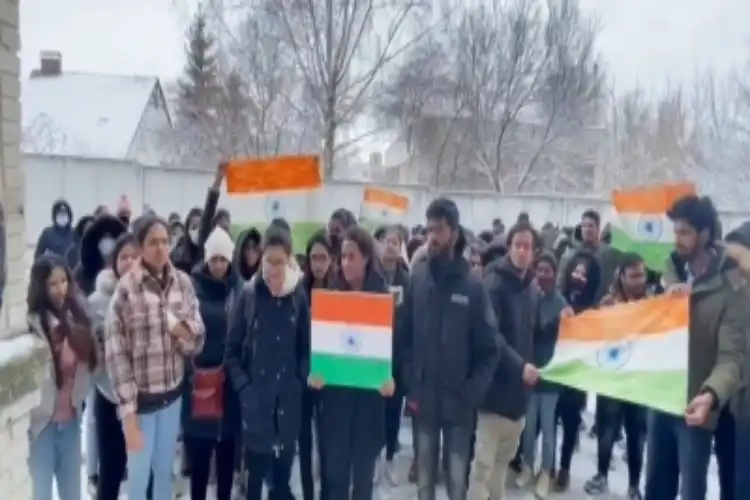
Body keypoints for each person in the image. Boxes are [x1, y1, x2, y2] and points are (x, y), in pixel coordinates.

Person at [398, 197, 501, 500]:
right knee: (424, 484)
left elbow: (490, 350)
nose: (432, 237)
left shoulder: (473, 287)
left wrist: (471, 394)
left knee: (457, 485)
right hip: (424, 403)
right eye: (429, 229)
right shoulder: (417, 279)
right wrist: (411, 382)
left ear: (454, 233)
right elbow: (404, 337)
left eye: (439, 230)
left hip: (459, 406)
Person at [645, 195, 746, 500]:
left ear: (704, 234)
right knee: (656, 488)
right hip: (660, 400)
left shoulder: (733, 289)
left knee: (692, 491)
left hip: (695, 407)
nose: (678, 239)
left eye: (685, 232)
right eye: (675, 231)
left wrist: (710, 395)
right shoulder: (668, 271)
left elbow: (732, 357)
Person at [105, 216, 205, 500]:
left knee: (164, 473)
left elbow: (197, 334)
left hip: (172, 399)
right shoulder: (126, 290)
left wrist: (183, 332)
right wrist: (128, 414)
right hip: (141, 405)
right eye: (153, 242)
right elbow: (116, 356)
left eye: (165, 241)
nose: (161, 248)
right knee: (138, 478)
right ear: (139, 247)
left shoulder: (182, 283)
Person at [224, 226, 310, 500]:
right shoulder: (249, 295)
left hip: (287, 405)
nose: (273, 268)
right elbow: (232, 352)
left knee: (281, 485)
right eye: (268, 261)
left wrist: (298, 380)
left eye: (279, 261)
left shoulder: (298, 297)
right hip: (256, 406)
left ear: (289, 261)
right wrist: (245, 389)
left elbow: (306, 349)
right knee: (253, 485)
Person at [309, 226, 393, 500]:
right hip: (336, 408)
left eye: (352, 256)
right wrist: (316, 374)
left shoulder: (383, 298)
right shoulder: (330, 297)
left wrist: (392, 380)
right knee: (336, 483)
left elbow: (397, 351)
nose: (345, 262)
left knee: (363, 485)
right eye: (342, 256)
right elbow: (318, 348)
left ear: (367, 257)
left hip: (369, 408)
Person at [470, 221, 543, 500]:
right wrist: (519, 366)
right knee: (482, 467)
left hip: (518, 397)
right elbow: (493, 337)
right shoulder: (494, 283)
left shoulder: (531, 288)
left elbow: (533, 335)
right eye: (518, 245)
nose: (523, 252)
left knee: (502, 464)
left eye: (528, 247)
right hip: (492, 392)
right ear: (509, 247)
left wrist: (563, 321)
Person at [26, 255, 97, 500]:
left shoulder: (77, 316)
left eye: (63, 281)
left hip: (70, 423)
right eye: (51, 284)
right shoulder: (32, 324)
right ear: (41, 287)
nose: (59, 289)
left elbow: (90, 366)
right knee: (41, 495)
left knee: (72, 495)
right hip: (41, 426)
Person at [182, 227, 242, 500]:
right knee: (200, 464)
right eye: (214, 259)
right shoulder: (191, 290)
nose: (218, 265)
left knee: (226, 462)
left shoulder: (239, 291)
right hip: (199, 385)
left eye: (223, 259)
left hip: (229, 387)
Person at [584, 252, 649, 500]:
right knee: (606, 430)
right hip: (611, 379)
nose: (638, 280)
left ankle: (633, 486)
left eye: (641, 275)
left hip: (638, 383)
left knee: (636, 435)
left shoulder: (653, 306)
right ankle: (601, 475)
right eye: (633, 275)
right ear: (621, 276)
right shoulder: (608, 303)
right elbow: (594, 336)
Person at [87, 233, 139, 500]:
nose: (129, 262)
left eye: (134, 257)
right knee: (111, 471)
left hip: (144, 400)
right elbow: (89, 351)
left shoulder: (152, 295)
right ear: (114, 262)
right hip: (109, 396)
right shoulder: (97, 302)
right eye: (124, 257)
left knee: (143, 473)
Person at [516, 252, 566, 499]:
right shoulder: (529, 298)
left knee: (548, 427)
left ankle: (546, 472)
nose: (543, 274)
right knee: (530, 424)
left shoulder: (561, 304)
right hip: (530, 371)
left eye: (548, 270)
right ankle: (527, 465)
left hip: (551, 374)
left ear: (555, 274)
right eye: (540, 270)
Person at [555, 249, 601, 491]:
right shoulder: (559, 297)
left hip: (576, 374)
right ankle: (545, 465)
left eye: (584, 272)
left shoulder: (593, 306)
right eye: (576, 270)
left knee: (571, 421)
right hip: (555, 368)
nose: (579, 275)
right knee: (549, 420)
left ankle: (564, 468)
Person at [299, 230, 334, 500]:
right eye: (313, 257)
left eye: (323, 257)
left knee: (327, 443)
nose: (318, 263)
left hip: (331, 379)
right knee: (304, 441)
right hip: (303, 377)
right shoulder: (299, 291)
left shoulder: (340, 292)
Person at [379, 226, 411, 485]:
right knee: (372, 413)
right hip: (373, 358)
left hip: (398, 360)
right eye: (386, 241)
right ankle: (372, 460)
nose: (390, 246)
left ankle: (389, 458)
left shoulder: (408, 280)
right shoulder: (371, 277)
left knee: (392, 414)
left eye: (395, 242)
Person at [171, 163, 226, 273]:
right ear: (187, 229)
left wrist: (217, 182)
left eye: (200, 226)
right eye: (194, 226)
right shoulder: (178, 254)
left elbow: (209, 212)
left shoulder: (211, 250)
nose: (197, 230)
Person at [557, 209, 619, 300]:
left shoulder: (608, 254)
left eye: (591, 226)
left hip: (601, 305)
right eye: (584, 226)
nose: (587, 230)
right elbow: (561, 283)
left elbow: (615, 280)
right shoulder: (571, 256)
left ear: (598, 229)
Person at [72, 214, 128, 295]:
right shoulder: (82, 272)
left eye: (110, 237)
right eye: (104, 237)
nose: (107, 242)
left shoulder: (126, 265)